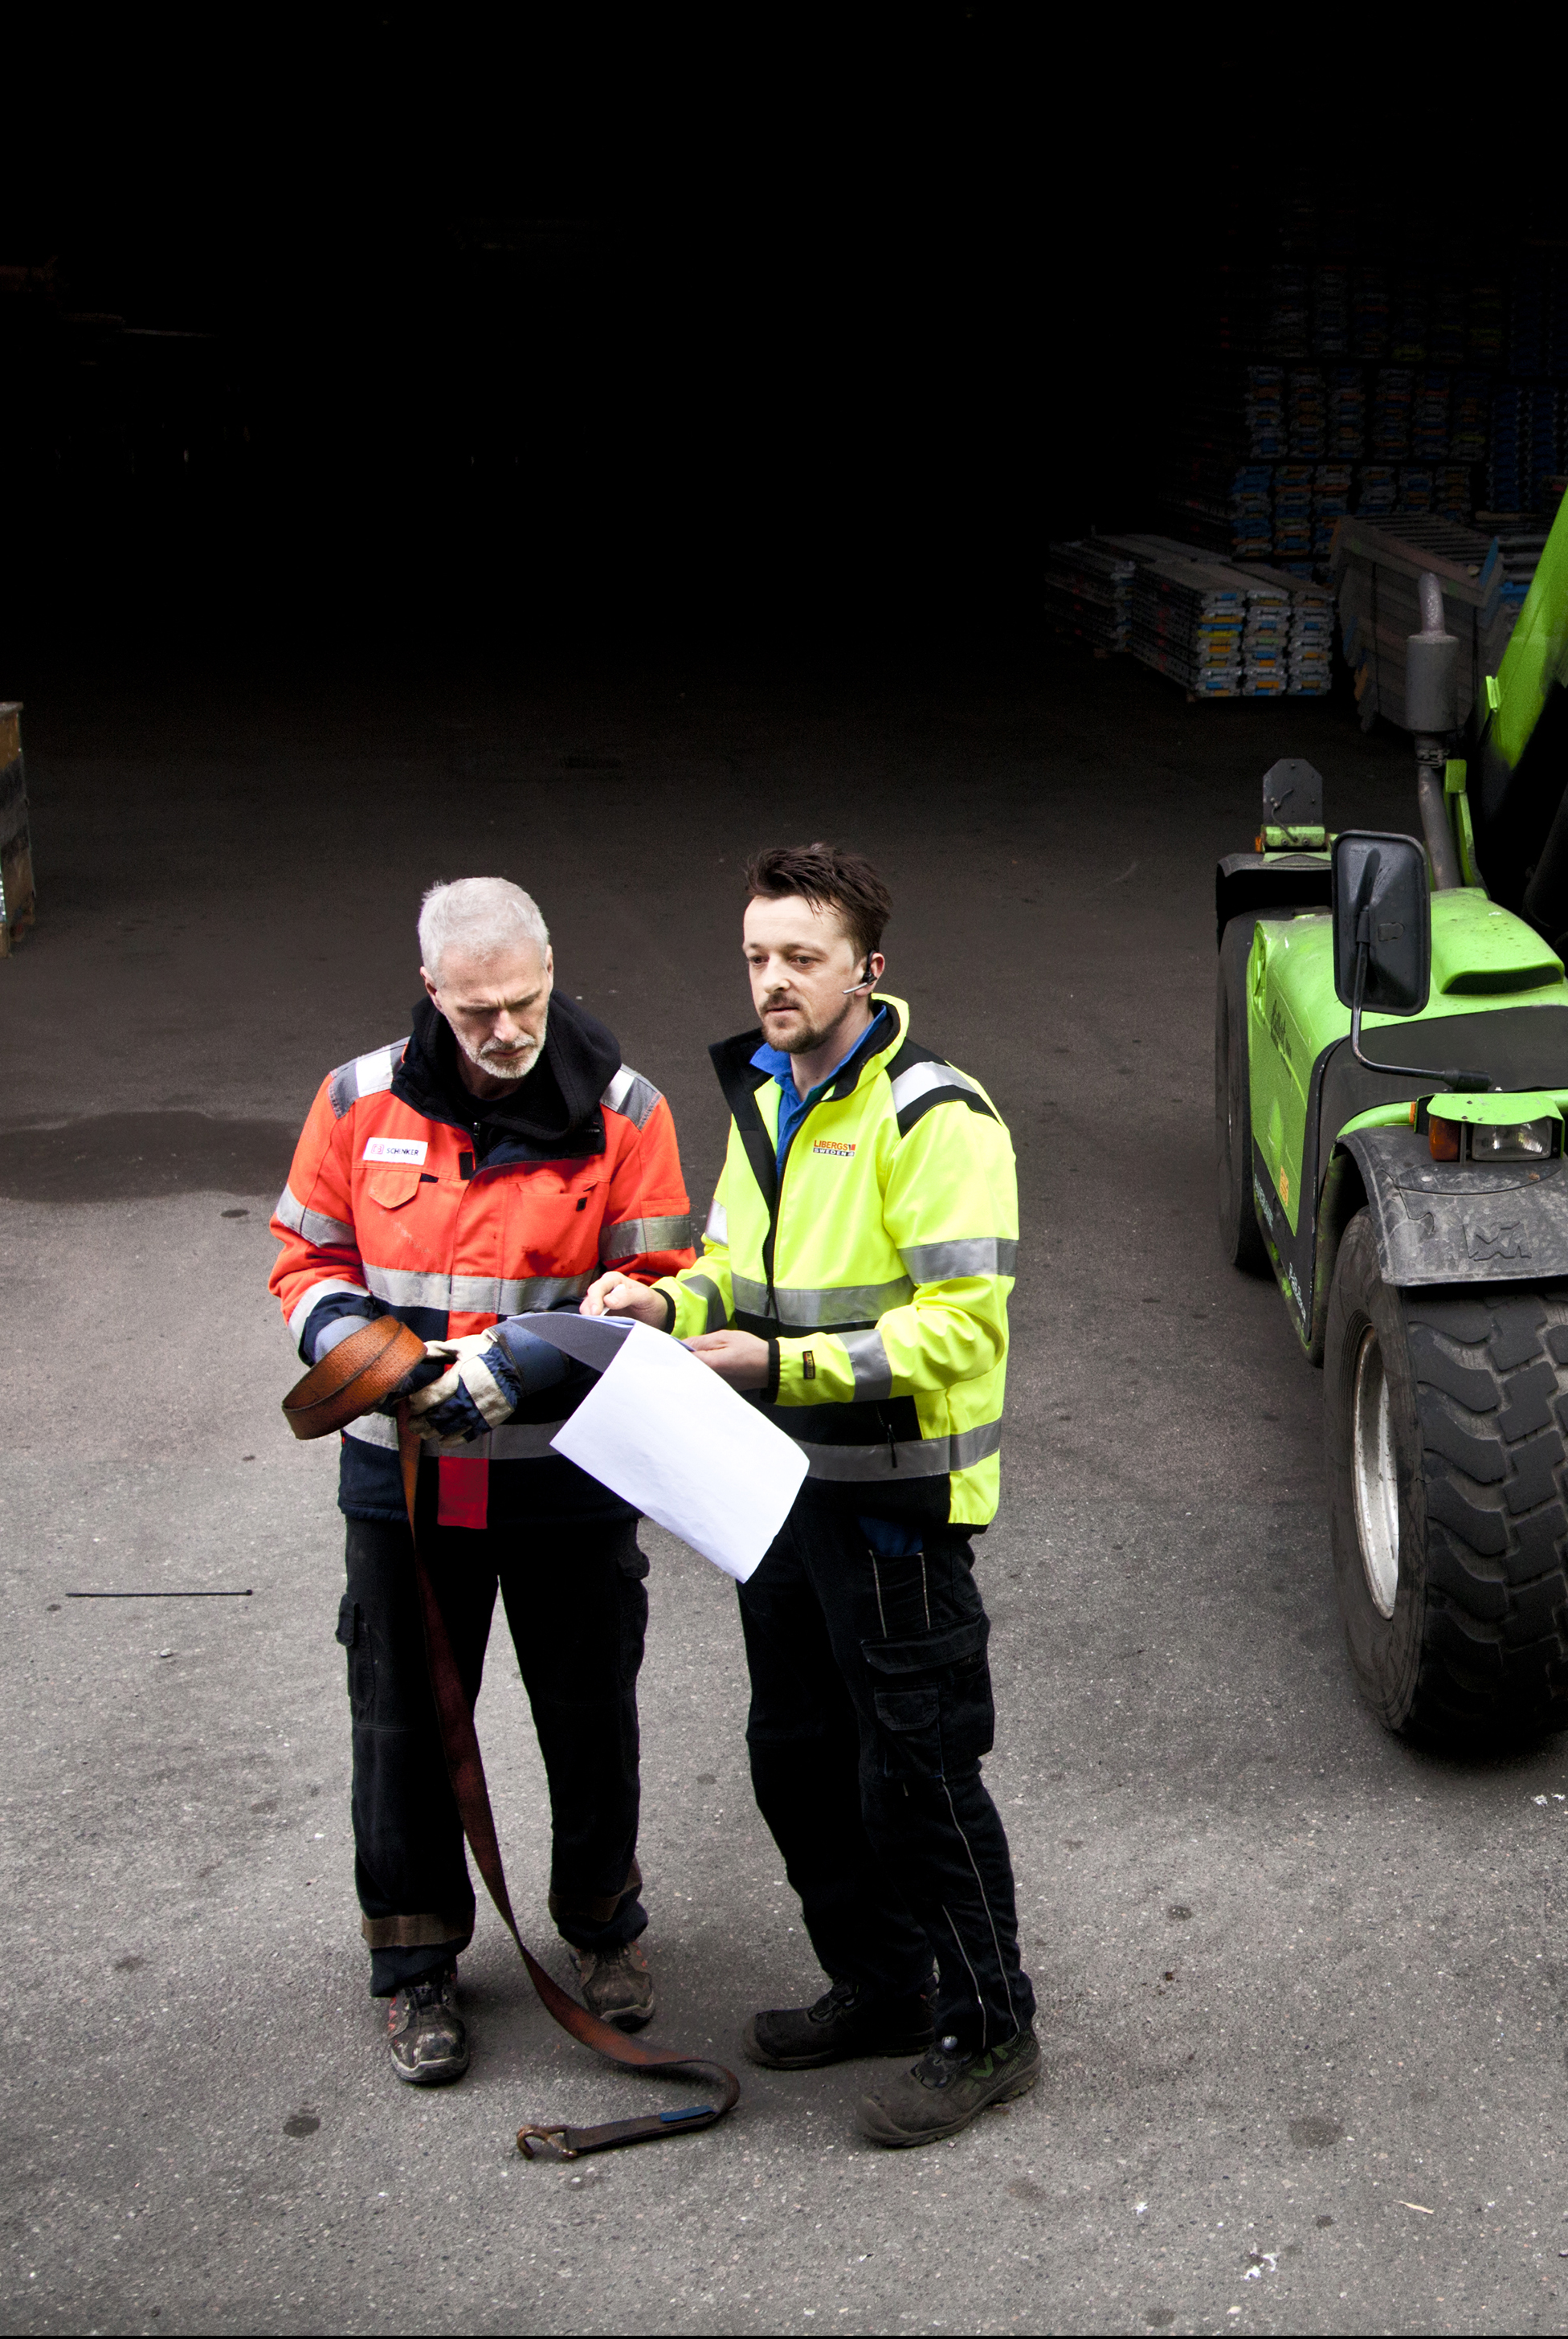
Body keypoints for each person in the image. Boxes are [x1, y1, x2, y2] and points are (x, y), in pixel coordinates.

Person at [586, 841, 1035, 2149]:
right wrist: (664, 1302)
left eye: (800, 958)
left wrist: (776, 1364)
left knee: (919, 1775)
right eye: (756, 957)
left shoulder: (934, 1119)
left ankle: (991, 2024)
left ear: (867, 968)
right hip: (779, 1497)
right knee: (796, 1760)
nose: (771, 981)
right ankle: (886, 1987)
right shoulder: (770, 1096)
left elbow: (964, 1330)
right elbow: (735, 1264)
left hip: (894, 1510)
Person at [268, 876, 696, 2086]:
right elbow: (306, 1257)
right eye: (477, 1014)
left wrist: (527, 1370)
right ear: (430, 993)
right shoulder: (357, 1101)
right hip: (399, 1477)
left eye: (525, 1003)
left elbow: (657, 1291)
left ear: (553, 970)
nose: (507, 1034)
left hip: (561, 1475)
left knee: (587, 1708)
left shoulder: (625, 1111)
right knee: (401, 1723)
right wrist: (373, 1358)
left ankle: (603, 1929)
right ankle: (413, 1968)